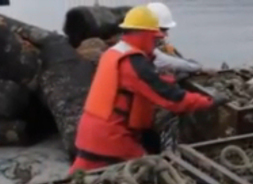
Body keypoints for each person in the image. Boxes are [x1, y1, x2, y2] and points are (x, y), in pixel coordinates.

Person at [69, 6, 225, 174]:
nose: (158, 42)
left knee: (75, 179)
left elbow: (136, 83)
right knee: (154, 173)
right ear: (146, 35)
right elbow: (172, 99)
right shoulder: (133, 62)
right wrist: (208, 101)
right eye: (156, 38)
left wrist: (169, 80)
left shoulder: (113, 53)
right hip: (113, 139)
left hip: (90, 134)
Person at [146, 2, 216, 75]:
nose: (165, 35)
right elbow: (170, 62)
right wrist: (199, 68)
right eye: (163, 30)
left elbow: (179, 61)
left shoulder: (159, 48)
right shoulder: (147, 51)